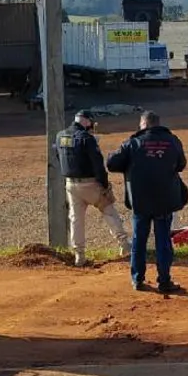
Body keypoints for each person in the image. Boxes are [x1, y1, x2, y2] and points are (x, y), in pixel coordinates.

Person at [106, 110, 188, 293]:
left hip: (140, 201)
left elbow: (112, 163)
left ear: (143, 124)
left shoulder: (133, 143)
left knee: (139, 240)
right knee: (163, 241)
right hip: (165, 200)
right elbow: (181, 164)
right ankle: (164, 281)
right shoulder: (172, 141)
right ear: (158, 124)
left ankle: (138, 280)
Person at [54, 110, 130, 267]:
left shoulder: (60, 135)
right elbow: (98, 164)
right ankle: (124, 245)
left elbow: (58, 156)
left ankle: (79, 255)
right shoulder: (87, 138)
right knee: (109, 211)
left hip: (71, 184)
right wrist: (104, 184)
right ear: (87, 122)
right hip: (90, 184)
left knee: (76, 219)